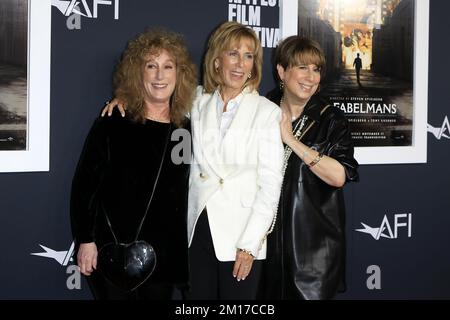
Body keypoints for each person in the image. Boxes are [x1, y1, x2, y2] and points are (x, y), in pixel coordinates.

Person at [102, 21, 284, 300]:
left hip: (242, 235)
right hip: (197, 231)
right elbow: (156, 92)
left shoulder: (267, 112)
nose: (240, 64)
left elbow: (271, 187)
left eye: (249, 56)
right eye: (233, 54)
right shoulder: (197, 100)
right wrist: (124, 97)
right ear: (216, 61)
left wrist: (249, 246)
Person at [70, 28, 197, 300]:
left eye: (168, 66)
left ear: (180, 74)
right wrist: (86, 239)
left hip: (161, 261)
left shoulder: (183, 129)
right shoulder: (114, 120)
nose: (160, 76)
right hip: (113, 253)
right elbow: (86, 185)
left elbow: (177, 191)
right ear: (138, 74)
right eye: (151, 66)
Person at [264, 36, 359, 300]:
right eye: (302, 67)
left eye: (316, 69)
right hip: (264, 251)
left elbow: (339, 175)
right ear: (282, 71)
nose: (311, 77)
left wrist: (291, 140)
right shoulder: (261, 109)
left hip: (314, 255)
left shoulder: (331, 119)